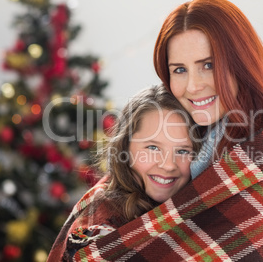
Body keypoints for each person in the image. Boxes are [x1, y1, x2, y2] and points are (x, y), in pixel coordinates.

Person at [51, 0, 263, 261]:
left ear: (240, 64)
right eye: (180, 70)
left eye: (208, 65)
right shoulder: (195, 127)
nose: (193, 86)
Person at [46, 85, 201, 261]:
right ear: (125, 148)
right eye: (152, 147)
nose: (168, 165)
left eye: (182, 151)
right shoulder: (101, 228)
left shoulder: (199, 213)